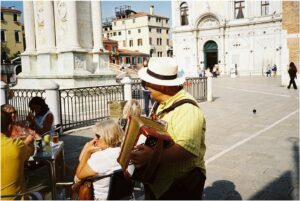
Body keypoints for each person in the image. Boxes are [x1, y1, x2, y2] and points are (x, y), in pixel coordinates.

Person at [130, 57, 206, 199]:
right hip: (160, 184)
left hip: (179, 186)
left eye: (147, 83)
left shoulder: (187, 110)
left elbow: (187, 149)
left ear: (162, 86)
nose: (145, 87)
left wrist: (151, 156)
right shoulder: (161, 103)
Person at [75, 119, 124, 200]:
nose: (95, 139)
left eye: (98, 136)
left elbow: (79, 175)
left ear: (108, 136)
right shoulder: (124, 152)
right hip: (123, 197)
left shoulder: (99, 157)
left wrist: (87, 151)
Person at [1, 108, 34, 200]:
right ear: (8, 127)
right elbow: (31, 150)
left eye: (14, 112)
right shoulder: (15, 145)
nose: (13, 115)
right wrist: (27, 142)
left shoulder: (20, 125)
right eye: (10, 113)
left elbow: (33, 133)